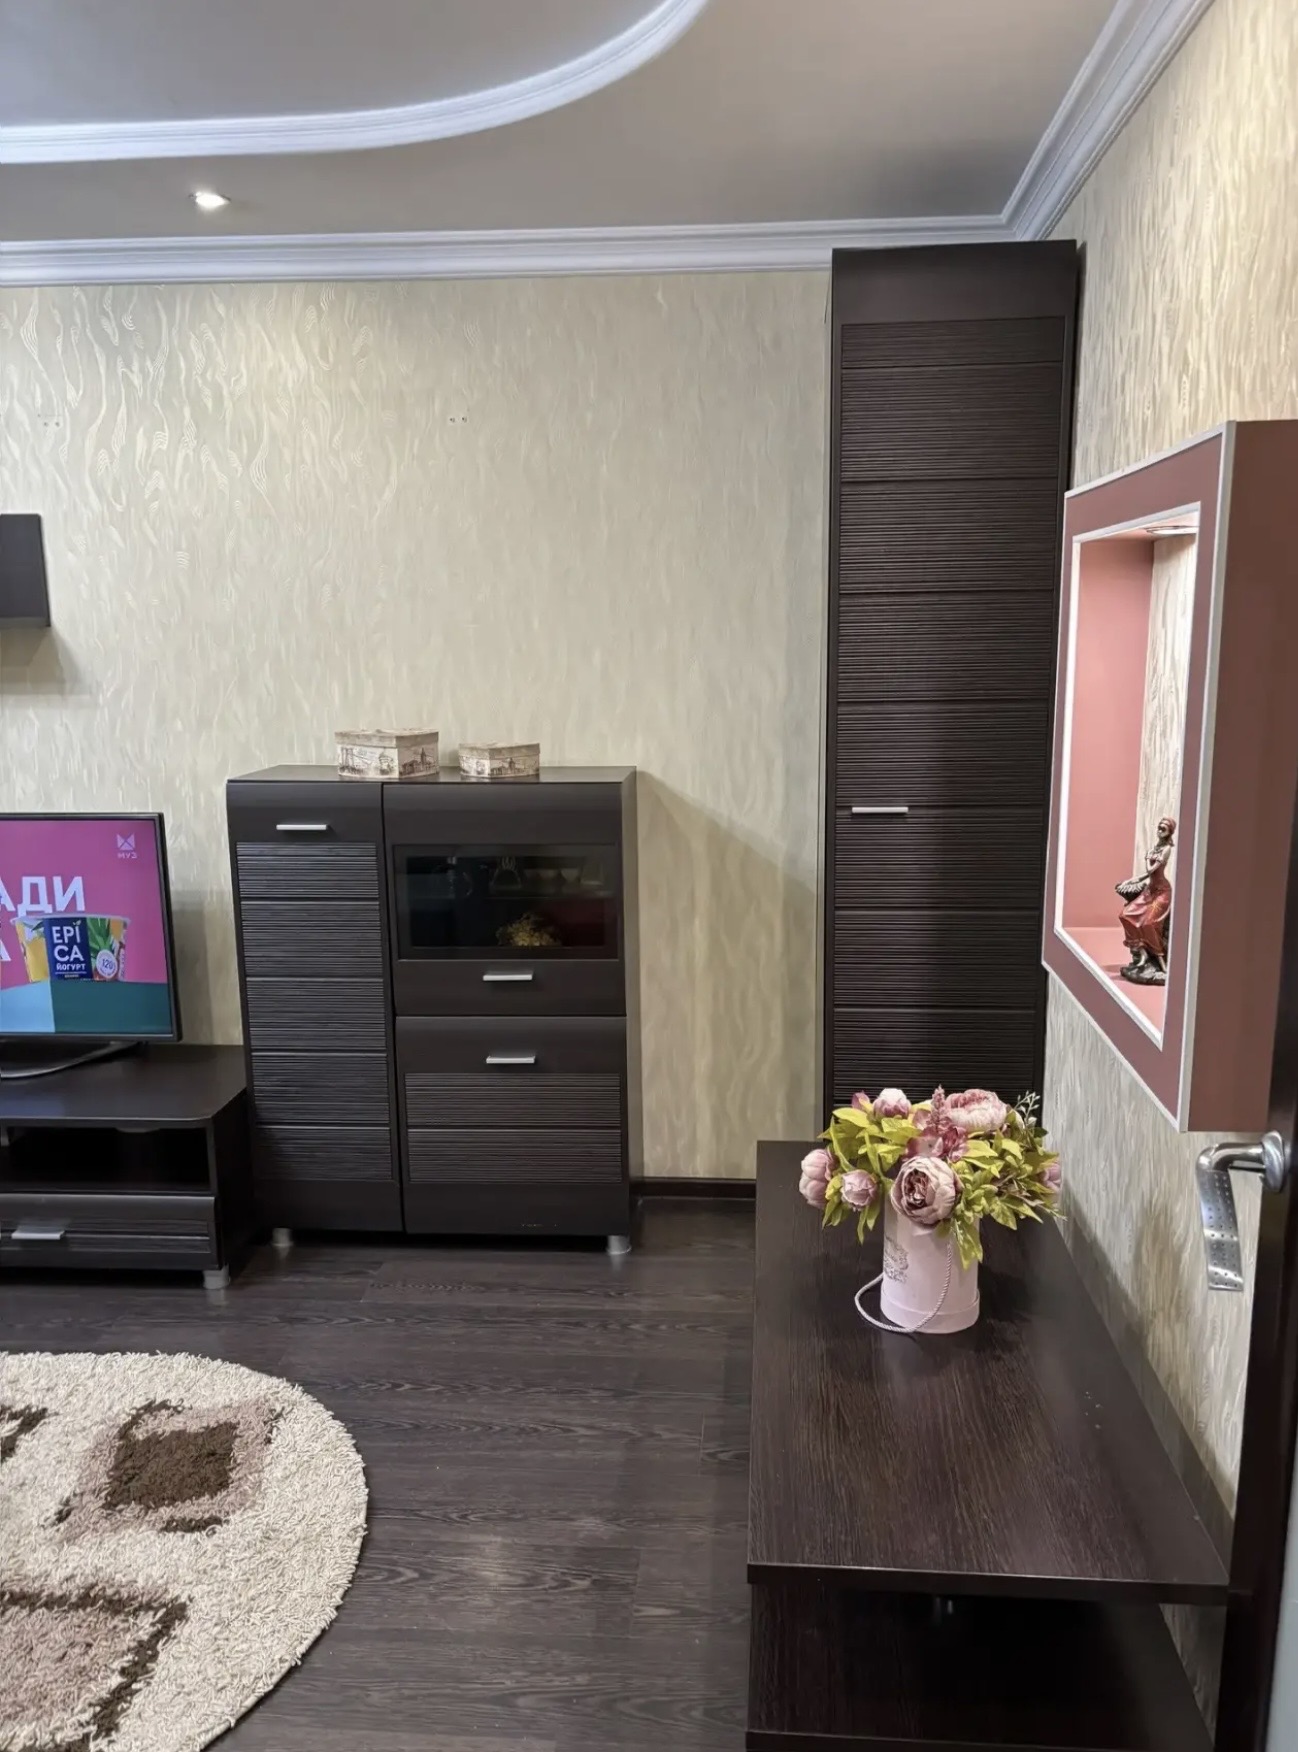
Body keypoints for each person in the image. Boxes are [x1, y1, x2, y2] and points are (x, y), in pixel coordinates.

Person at [1116, 815, 1175, 985]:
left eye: (1163, 828)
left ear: (1169, 832)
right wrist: (1131, 881)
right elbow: (1146, 875)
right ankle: (1142, 953)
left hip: (1162, 892)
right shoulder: (1156, 848)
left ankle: (1161, 962)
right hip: (1150, 889)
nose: (1159, 830)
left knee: (1149, 923)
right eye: (1159, 827)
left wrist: (1148, 858)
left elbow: (1151, 870)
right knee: (1125, 915)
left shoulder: (1166, 849)